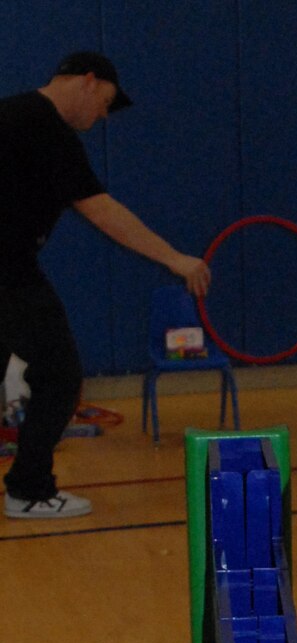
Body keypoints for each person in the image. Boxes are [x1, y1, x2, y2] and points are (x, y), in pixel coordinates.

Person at [0, 51, 210, 523]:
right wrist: (175, 258)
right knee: (59, 375)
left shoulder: (9, 112)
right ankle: (29, 489)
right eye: (103, 105)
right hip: (8, 272)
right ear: (88, 82)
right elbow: (104, 212)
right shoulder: (50, 132)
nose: (99, 119)